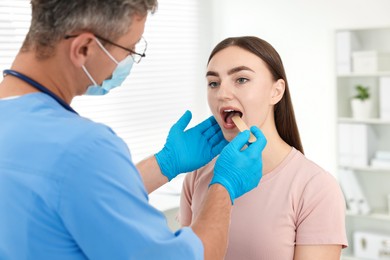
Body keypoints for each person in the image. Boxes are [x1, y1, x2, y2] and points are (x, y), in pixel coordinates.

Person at [0, 1, 268, 259]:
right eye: (129, 49)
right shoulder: (83, 149)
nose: (130, 60)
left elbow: (73, 194)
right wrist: (224, 186)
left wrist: (163, 164)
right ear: (83, 48)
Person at [179, 36, 348, 260]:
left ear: (276, 92)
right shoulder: (197, 176)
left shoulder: (315, 188)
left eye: (241, 79)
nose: (222, 94)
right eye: (213, 83)